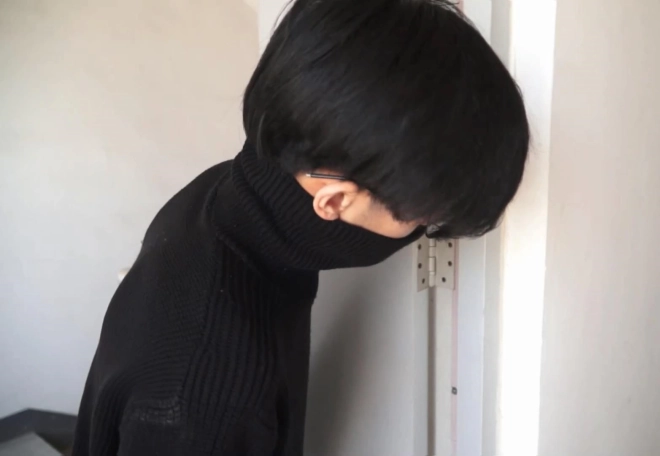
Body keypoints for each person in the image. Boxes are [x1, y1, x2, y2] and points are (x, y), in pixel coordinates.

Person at [71, 0, 529, 454]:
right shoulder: (211, 397)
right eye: (419, 217)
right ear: (334, 202)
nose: (421, 229)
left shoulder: (223, 194)